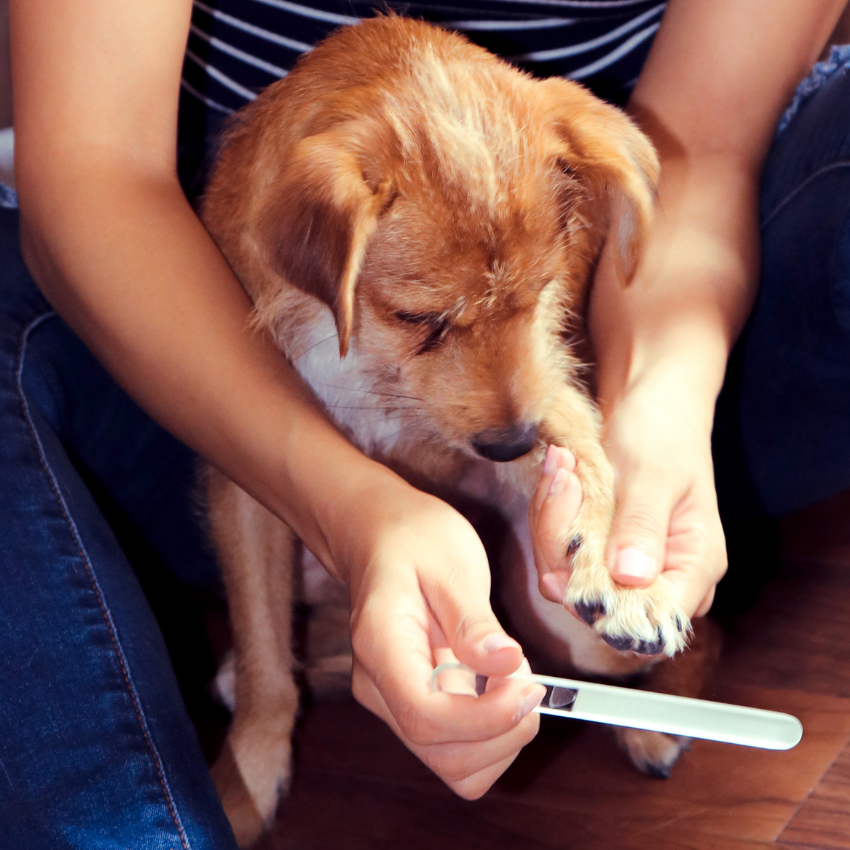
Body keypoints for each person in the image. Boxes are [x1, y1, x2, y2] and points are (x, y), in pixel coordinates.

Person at [3, 0, 849, 846]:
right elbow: (90, 167)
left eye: (529, 300)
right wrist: (340, 517)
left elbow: (701, 145)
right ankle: (246, 720)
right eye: (427, 321)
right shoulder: (307, 223)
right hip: (174, 343)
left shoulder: (546, 224)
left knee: (594, 623)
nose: (499, 404)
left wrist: (655, 418)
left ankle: (627, 637)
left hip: (674, 297)